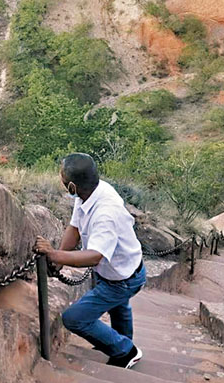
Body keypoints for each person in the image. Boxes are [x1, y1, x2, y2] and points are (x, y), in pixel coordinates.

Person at [34, 153, 146, 368]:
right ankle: (122, 343)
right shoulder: (90, 193)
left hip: (124, 278)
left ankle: (125, 351)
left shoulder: (106, 212)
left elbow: (95, 255)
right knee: (119, 308)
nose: (61, 181)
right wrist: (60, 259)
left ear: (73, 187)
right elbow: (75, 227)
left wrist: (55, 255)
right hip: (119, 270)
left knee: (75, 318)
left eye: (63, 179)